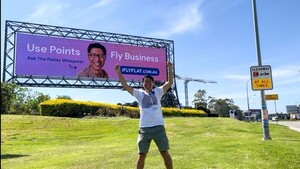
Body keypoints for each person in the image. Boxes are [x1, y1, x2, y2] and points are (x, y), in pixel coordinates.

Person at [115, 62, 174, 169]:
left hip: (158, 127)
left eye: (148, 81)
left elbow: (170, 82)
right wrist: (118, 72)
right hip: (144, 129)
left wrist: (170, 68)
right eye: (144, 82)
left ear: (153, 83)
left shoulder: (158, 91)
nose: (146, 83)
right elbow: (125, 85)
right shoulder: (139, 93)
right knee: (142, 154)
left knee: (164, 152)